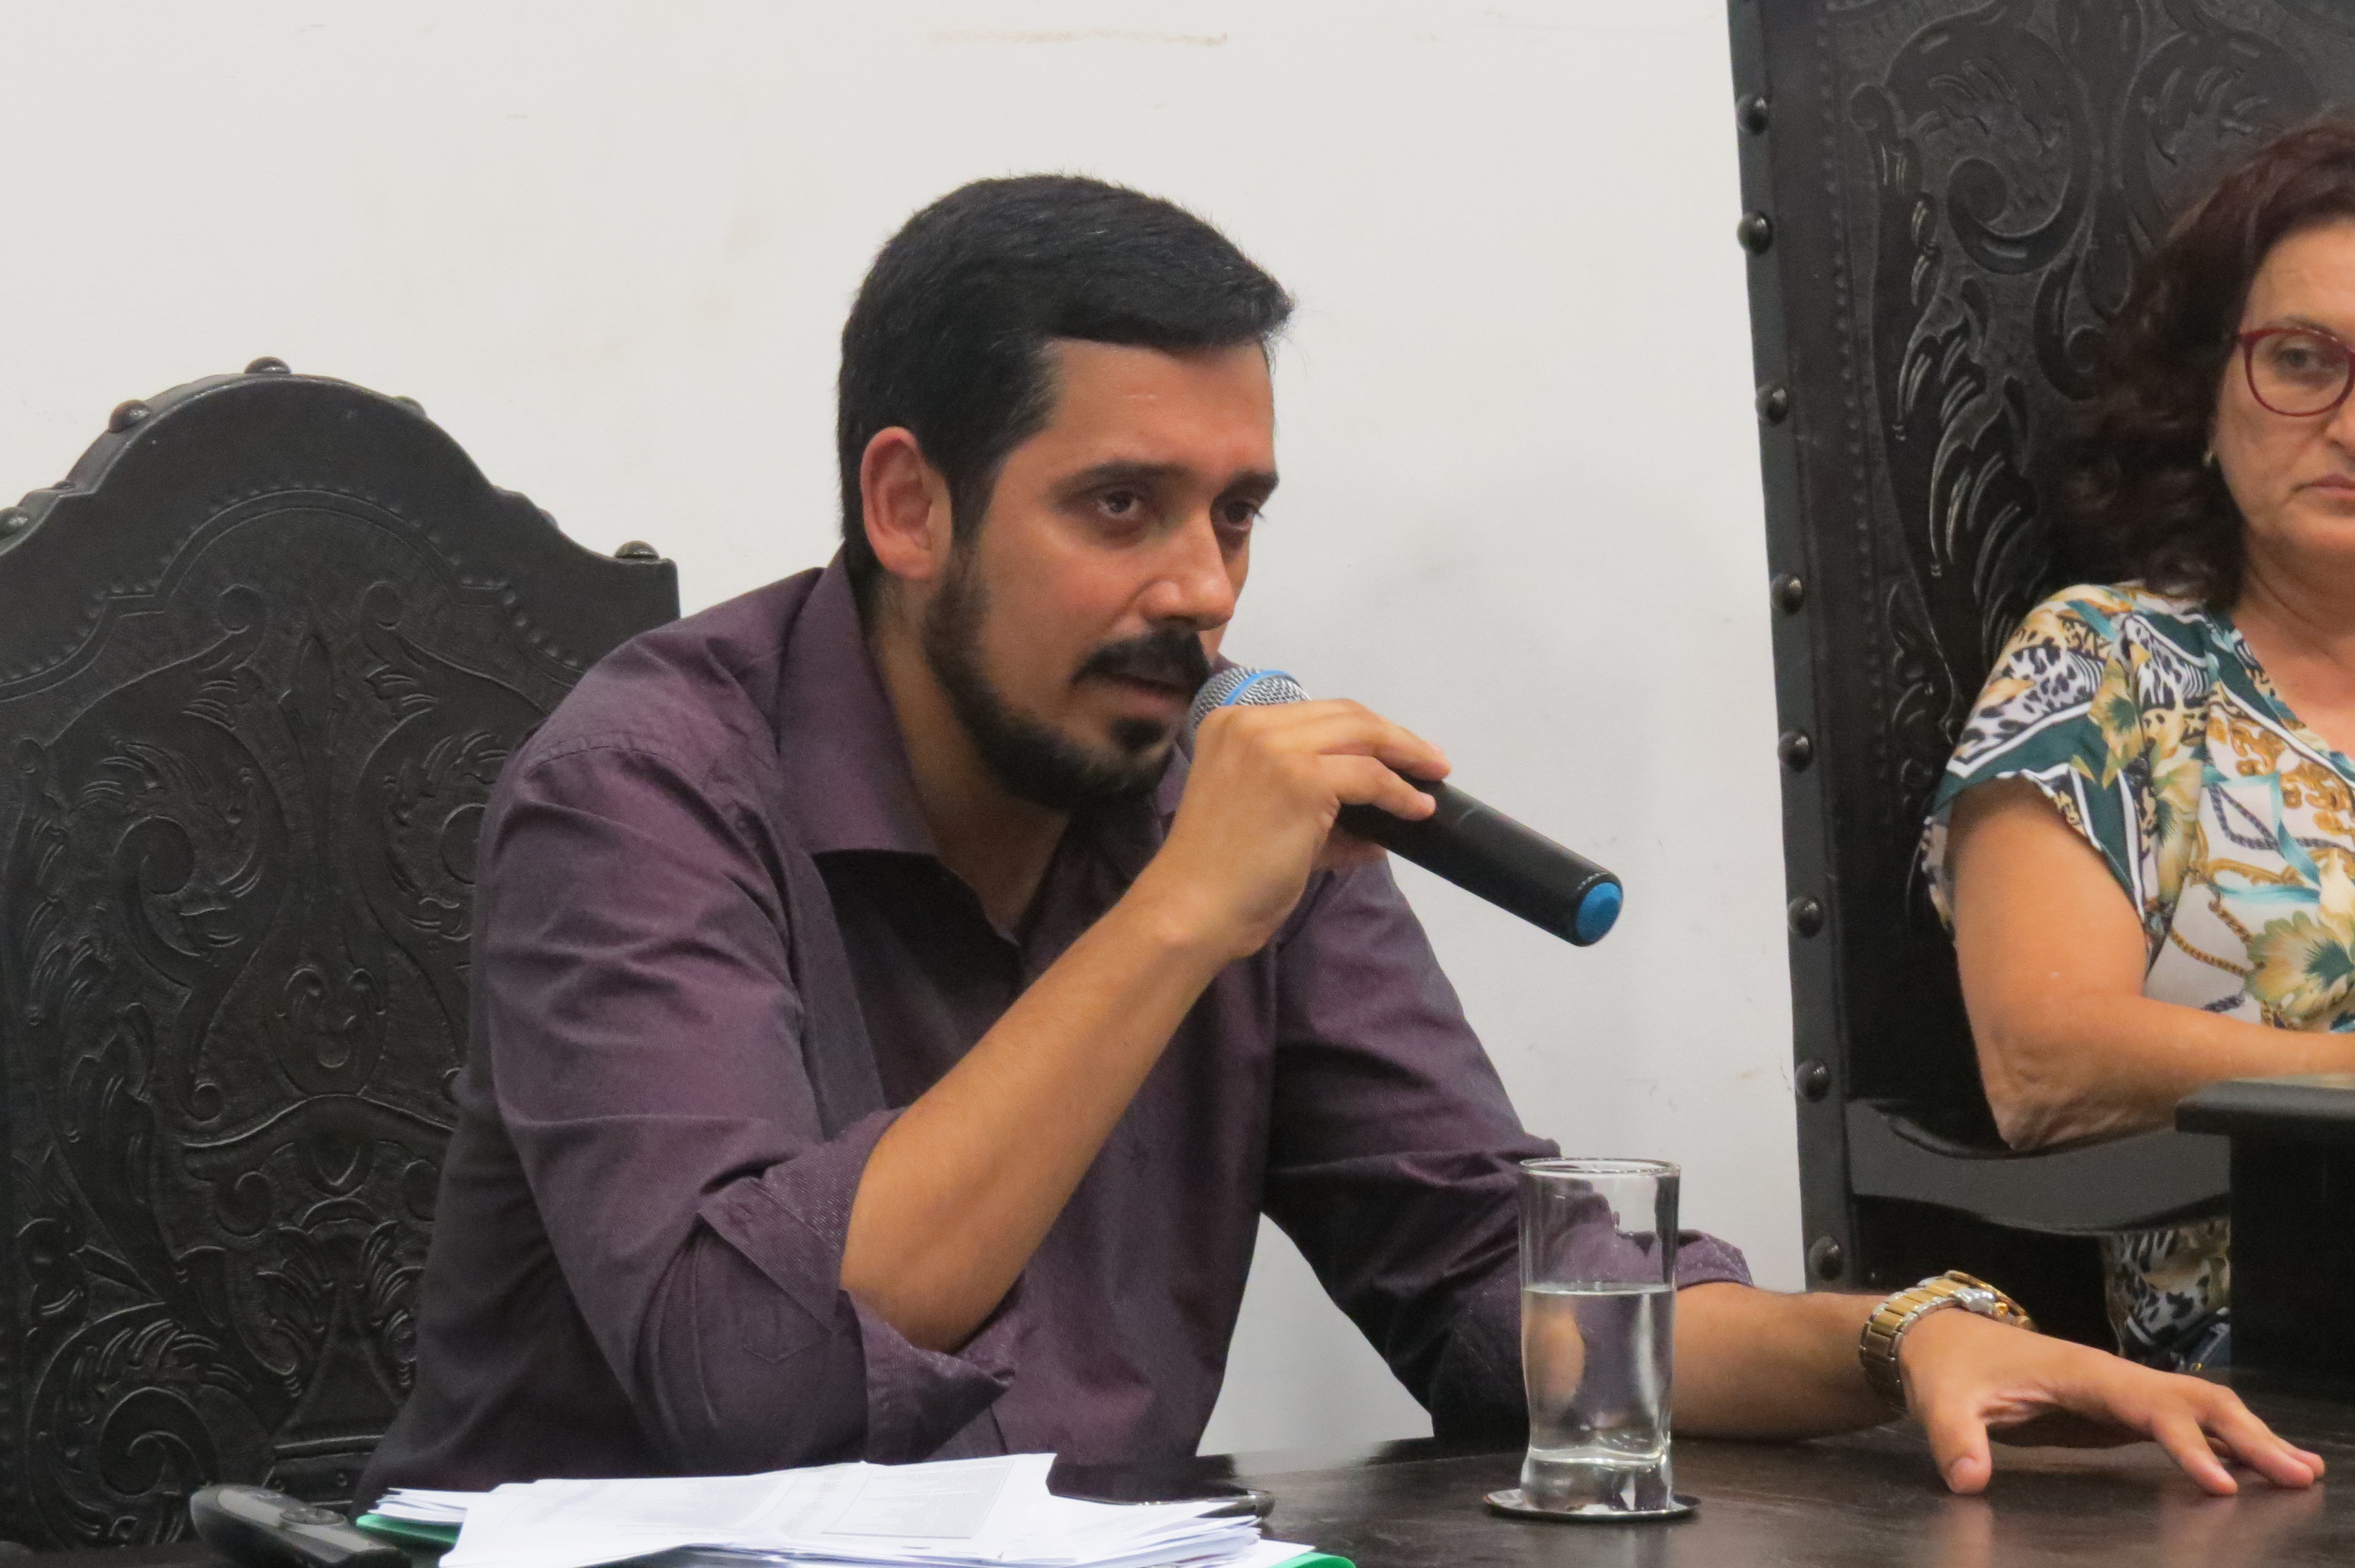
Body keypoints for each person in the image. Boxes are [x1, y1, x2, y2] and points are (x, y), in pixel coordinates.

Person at [361, 175, 2320, 1506]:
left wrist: (1900, 1342)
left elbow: (1486, 1276)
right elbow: (751, 1377)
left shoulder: (1207, 785)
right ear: (908, 503)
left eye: (1236, 516)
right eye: (1120, 508)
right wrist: (1177, 923)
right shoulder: (639, 786)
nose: (1201, 590)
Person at [1928, 120, 2355, 1372]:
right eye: (2301, 360)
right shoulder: (2106, 666)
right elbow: (2044, 1062)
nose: (2349, 422)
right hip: (2281, 1360)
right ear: (2202, 399)